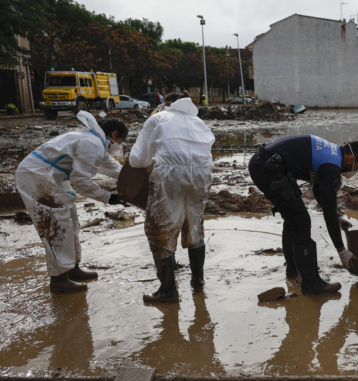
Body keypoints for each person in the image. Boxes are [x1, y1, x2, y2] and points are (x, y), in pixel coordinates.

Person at [15, 112, 127, 293]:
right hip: (37, 176)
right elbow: (80, 181)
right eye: (122, 141)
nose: (120, 145)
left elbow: (116, 169)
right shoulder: (92, 144)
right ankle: (59, 279)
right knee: (57, 225)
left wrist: (134, 180)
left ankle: (72, 269)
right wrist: (108, 197)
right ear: (115, 135)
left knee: (72, 221)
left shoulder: (95, 142)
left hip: (50, 175)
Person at [248, 135, 358, 295]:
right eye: (357, 167)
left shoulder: (331, 152)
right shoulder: (331, 166)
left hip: (264, 164)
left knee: (293, 218)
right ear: (351, 158)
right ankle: (311, 283)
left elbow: (318, 190)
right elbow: (327, 213)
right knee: (301, 221)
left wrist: (337, 214)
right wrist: (341, 250)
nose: (355, 171)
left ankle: (294, 269)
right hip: (267, 169)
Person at [129, 91, 214, 303]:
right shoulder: (198, 122)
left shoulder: (158, 117)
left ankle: (168, 289)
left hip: (169, 174)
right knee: (194, 225)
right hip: (203, 174)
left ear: (167, 104)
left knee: (160, 229)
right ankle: (198, 282)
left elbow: (138, 160)